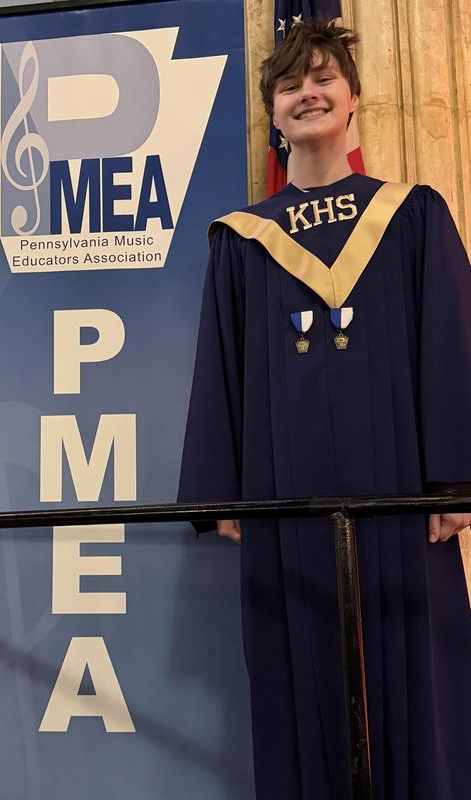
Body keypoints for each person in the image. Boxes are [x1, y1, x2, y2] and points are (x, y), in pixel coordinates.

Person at [178, 18, 471, 800]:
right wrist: (221, 494)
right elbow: (223, 368)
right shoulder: (243, 241)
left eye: (322, 79)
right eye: (288, 84)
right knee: (296, 672)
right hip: (285, 503)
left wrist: (453, 482)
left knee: (417, 672)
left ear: (353, 101)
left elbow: (450, 341)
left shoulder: (411, 216)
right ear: (271, 116)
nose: (306, 93)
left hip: (401, 495)